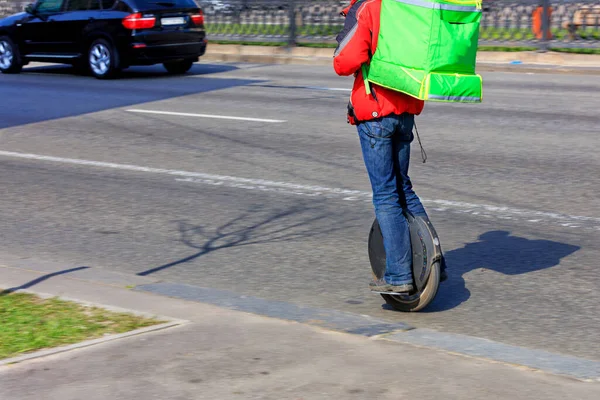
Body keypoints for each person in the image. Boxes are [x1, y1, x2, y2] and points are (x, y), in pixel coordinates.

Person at [334, 0, 446, 293]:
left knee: (385, 195)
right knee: (403, 188)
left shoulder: (369, 6)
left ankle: (398, 275)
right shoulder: (412, 6)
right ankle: (435, 263)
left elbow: (344, 62)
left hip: (376, 113)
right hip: (406, 110)